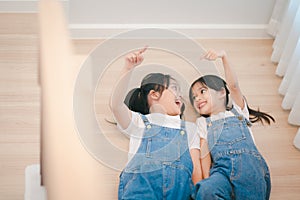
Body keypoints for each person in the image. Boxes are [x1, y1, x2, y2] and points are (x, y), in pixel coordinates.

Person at [110, 47, 202, 200]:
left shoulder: (190, 129)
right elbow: (115, 105)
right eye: (174, 88)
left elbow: (196, 171)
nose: (179, 94)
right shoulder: (139, 122)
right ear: (154, 95)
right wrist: (128, 68)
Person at [189, 49, 274, 200]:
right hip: (220, 171)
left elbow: (233, 86)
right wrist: (207, 179)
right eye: (194, 97)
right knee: (205, 191)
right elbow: (204, 153)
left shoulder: (237, 110)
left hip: (249, 167)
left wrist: (224, 57)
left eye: (202, 91)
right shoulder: (202, 122)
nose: (197, 99)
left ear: (222, 92)